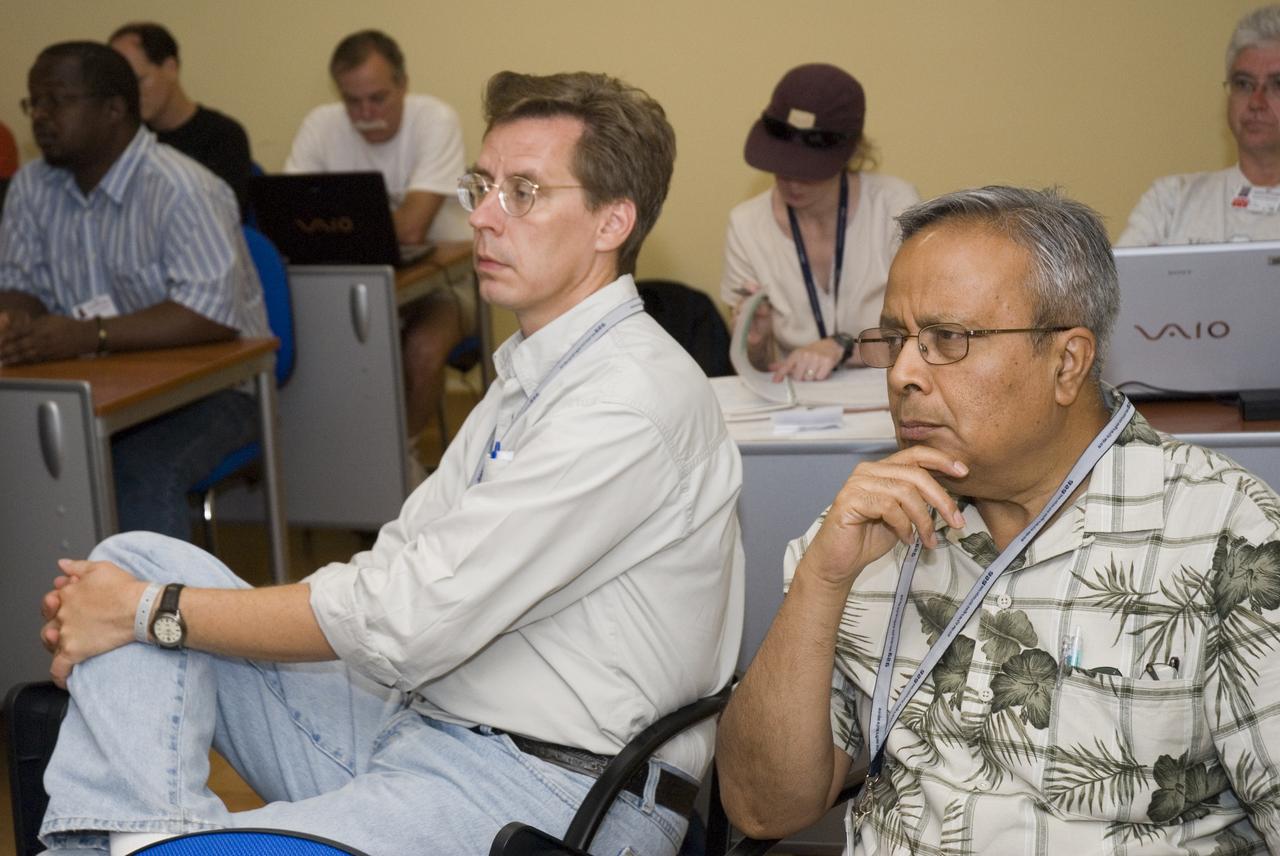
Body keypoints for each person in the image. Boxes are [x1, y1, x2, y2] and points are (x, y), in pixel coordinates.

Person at [34, 70, 744, 856]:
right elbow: (400, 562)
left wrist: (152, 612)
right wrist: (143, 601)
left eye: (523, 193)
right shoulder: (536, 373)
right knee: (129, 558)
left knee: (140, 603)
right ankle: (144, 839)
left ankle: (133, 842)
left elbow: (401, 617)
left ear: (614, 220)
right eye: (481, 185)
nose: (479, 216)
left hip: (548, 789)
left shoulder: (625, 400)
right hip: (422, 722)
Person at [716, 185, 1280, 852]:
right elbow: (759, 810)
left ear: (1067, 362)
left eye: (946, 338)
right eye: (893, 339)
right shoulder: (868, 529)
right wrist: (819, 580)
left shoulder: (1221, 531)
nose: (901, 374)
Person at [0, 42, 267, 540]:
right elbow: (19, 286)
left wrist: (87, 335)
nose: (40, 116)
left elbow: (210, 314)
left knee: (138, 471)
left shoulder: (183, 187)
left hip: (211, 392)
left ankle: (152, 617)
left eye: (57, 101)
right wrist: (15, 323)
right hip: (86, 387)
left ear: (114, 109)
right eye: (32, 103)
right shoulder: (32, 186)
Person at [285, 29, 471, 452]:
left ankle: (395, 462)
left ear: (403, 84)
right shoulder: (320, 125)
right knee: (319, 354)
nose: (366, 112)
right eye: (353, 101)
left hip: (445, 285)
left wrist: (332, 223)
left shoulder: (434, 119)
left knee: (421, 349)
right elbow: (292, 221)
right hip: (350, 288)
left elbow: (411, 231)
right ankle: (348, 464)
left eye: (378, 98)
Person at [721, 63, 918, 383]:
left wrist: (841, 347)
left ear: (850, 152)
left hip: (887, 397)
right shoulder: (746, 226)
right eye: (782, 164)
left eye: (809, 169)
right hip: (797, 411)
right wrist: (754, 340)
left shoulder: (894, 206)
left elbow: (921, 337)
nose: (793, 182)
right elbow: (754, 372)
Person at [1119, 5, 1280, 245]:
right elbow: (1124, 280)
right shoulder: (1171, 200)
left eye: (1277, 85)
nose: (1256, 102)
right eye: (1244, 84)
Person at [108, 22, 254, 220]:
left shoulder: (223, 136)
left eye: (139, 80)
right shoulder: (122, 139)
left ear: (170, 68)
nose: (130, 94)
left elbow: (223, 217)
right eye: (121, 85)